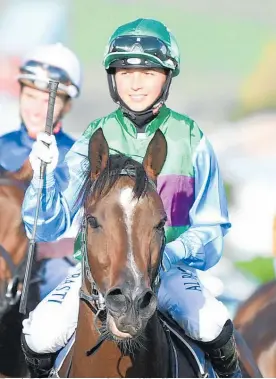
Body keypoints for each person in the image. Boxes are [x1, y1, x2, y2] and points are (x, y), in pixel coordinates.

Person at [21, 19, 241, 378]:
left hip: (167, 272)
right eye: (124, 72)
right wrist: (42, 179)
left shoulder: (192, 138)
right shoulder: (95, 135)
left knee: (213, 326)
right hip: (94, 276)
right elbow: (45, 226)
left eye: (149, 72)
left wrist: (163, 256)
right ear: (112, 78)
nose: (135, 83)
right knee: (38, 335)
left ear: (168, 76)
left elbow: (212, 229)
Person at [0, 43, 82, 303]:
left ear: (66, 105)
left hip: (52, 274)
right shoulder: (2, 146)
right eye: (30, 96)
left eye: (48, 100)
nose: (37, 109)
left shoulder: (81, 158)